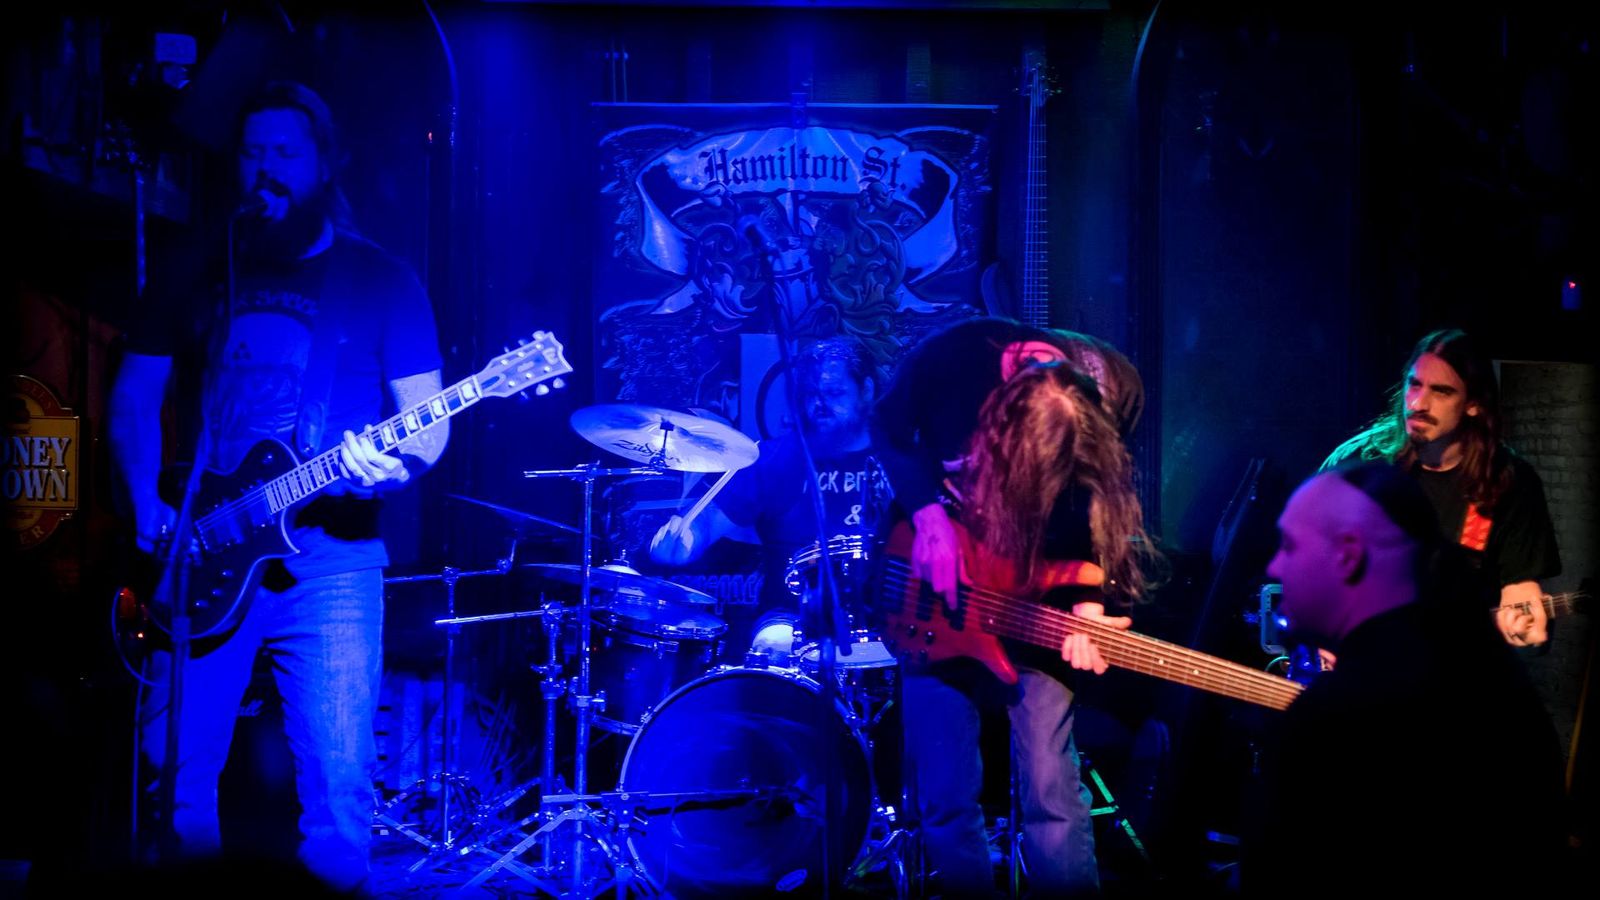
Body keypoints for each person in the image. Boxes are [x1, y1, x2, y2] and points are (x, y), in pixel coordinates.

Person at [108, 81, 447, 891]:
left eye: (286, 153)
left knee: (339, 792)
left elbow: (427, 424)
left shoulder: (380, 280)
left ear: (325, 164)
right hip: (203, 548)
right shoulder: (197, 265)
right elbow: (133, 397)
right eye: (253, 152)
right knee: (171, 782)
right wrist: (146, 500)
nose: (267, 169)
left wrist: (395, 466)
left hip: (332, 560)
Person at [871, 316, 1156, 897]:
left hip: (1035, 602)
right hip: (936, 597)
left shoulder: (1097, 406)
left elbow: (1086, 523)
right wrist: (928, 517)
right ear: (998, 426)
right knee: (945, 793)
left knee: (1052, 788)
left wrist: (1087, 609)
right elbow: (887, 426)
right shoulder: (952, 359)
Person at [1248, 462, 1565, 894]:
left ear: (1348, 554)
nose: (1275, 567)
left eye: (1289, 545)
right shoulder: (1495, 686)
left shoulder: (1336, 718)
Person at [649, 336, 892, 661]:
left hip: (889, 617)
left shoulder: (900, 461)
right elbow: (709, 518)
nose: (820, 405)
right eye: (811, 395)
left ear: (866, 390)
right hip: (792, 617)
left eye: (835, 393)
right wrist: (686, 540)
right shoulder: (776, 457)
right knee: (773, 645)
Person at [1323, 328, 1561, 647]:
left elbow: (1519, 588)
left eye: (1441, 392)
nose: (1419, 403)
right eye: (1414, 384)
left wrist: (1525, 621)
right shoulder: (1357, 464)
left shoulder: (1508, 482)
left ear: (1473, 403)